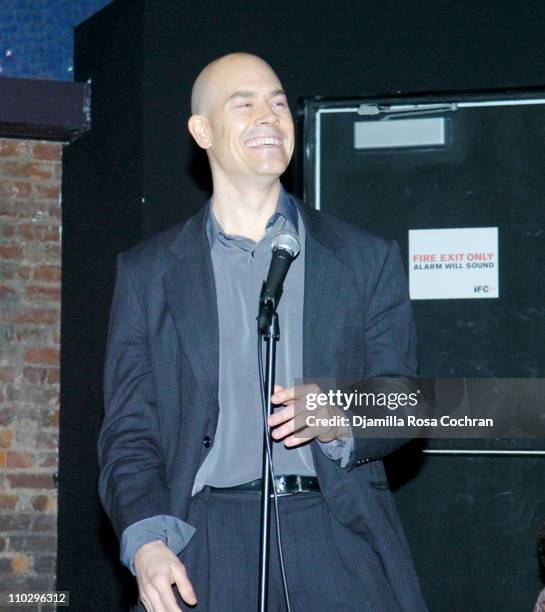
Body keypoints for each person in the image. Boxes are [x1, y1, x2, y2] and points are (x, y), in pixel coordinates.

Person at [97, 52, 427, 612]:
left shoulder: (363, 257)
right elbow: (129, 433)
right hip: (202, 544)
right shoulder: (148, 273)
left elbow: (409, 402)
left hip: (335, 534)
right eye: (243, 103)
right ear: (201, 131)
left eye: (278, 103)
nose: (269, 116)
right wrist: (146, 542)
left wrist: (340, 411)